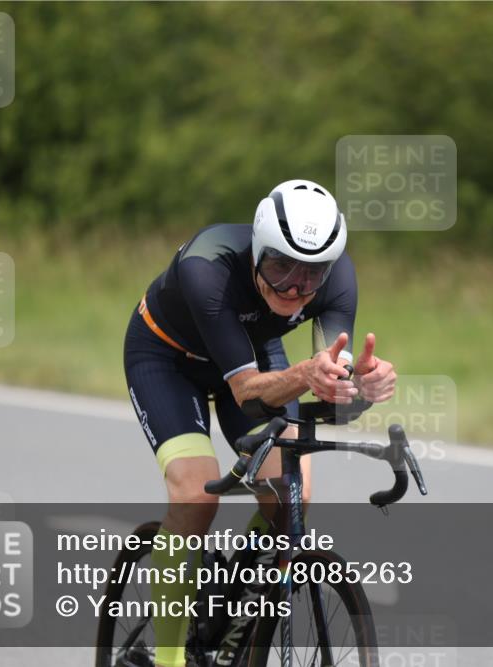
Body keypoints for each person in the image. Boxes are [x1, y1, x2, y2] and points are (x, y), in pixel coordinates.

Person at [123, 179, 396, 667]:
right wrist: (308, 374)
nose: (294, 286)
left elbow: (328, 377)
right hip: (168, 357)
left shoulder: (338, 279)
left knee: (294, 495)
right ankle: (167, 659)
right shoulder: (208, 267)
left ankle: (236, 633)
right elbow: (247, 394)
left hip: (252, 354)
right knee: (195, 494)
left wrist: (359, 388)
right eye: (279, 266)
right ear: (257, 251)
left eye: (311, 275)